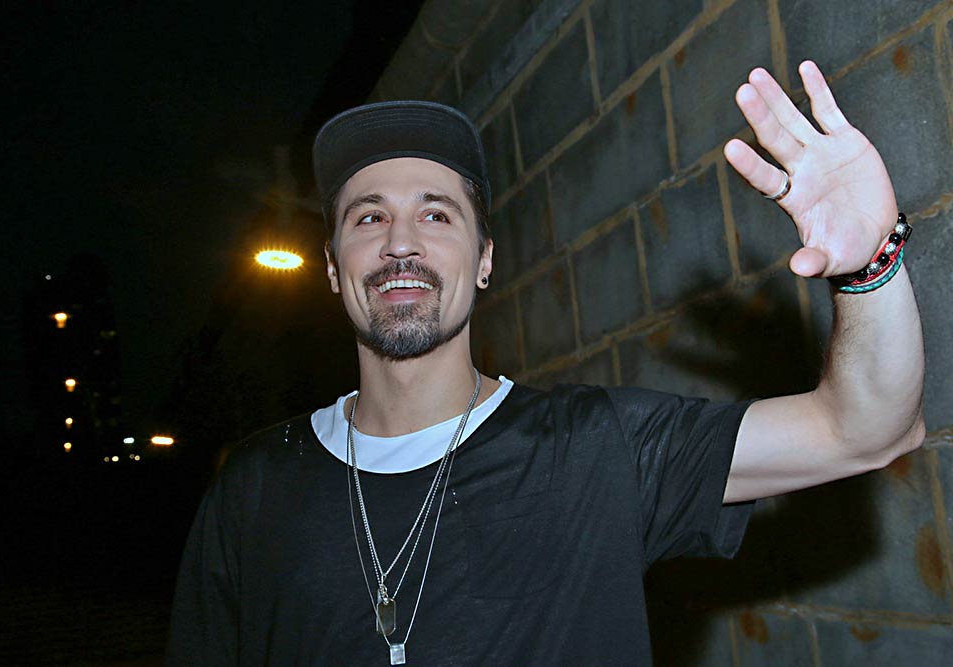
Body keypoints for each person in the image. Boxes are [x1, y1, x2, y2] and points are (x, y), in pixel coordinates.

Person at [165, 61, 925, 666]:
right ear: (334, 268)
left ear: (484, 259)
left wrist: (873, 262)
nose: (400, 242)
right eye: (369, 217)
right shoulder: (253, 489)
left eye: (436, 213)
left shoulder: (597, 448)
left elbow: (864, 429)